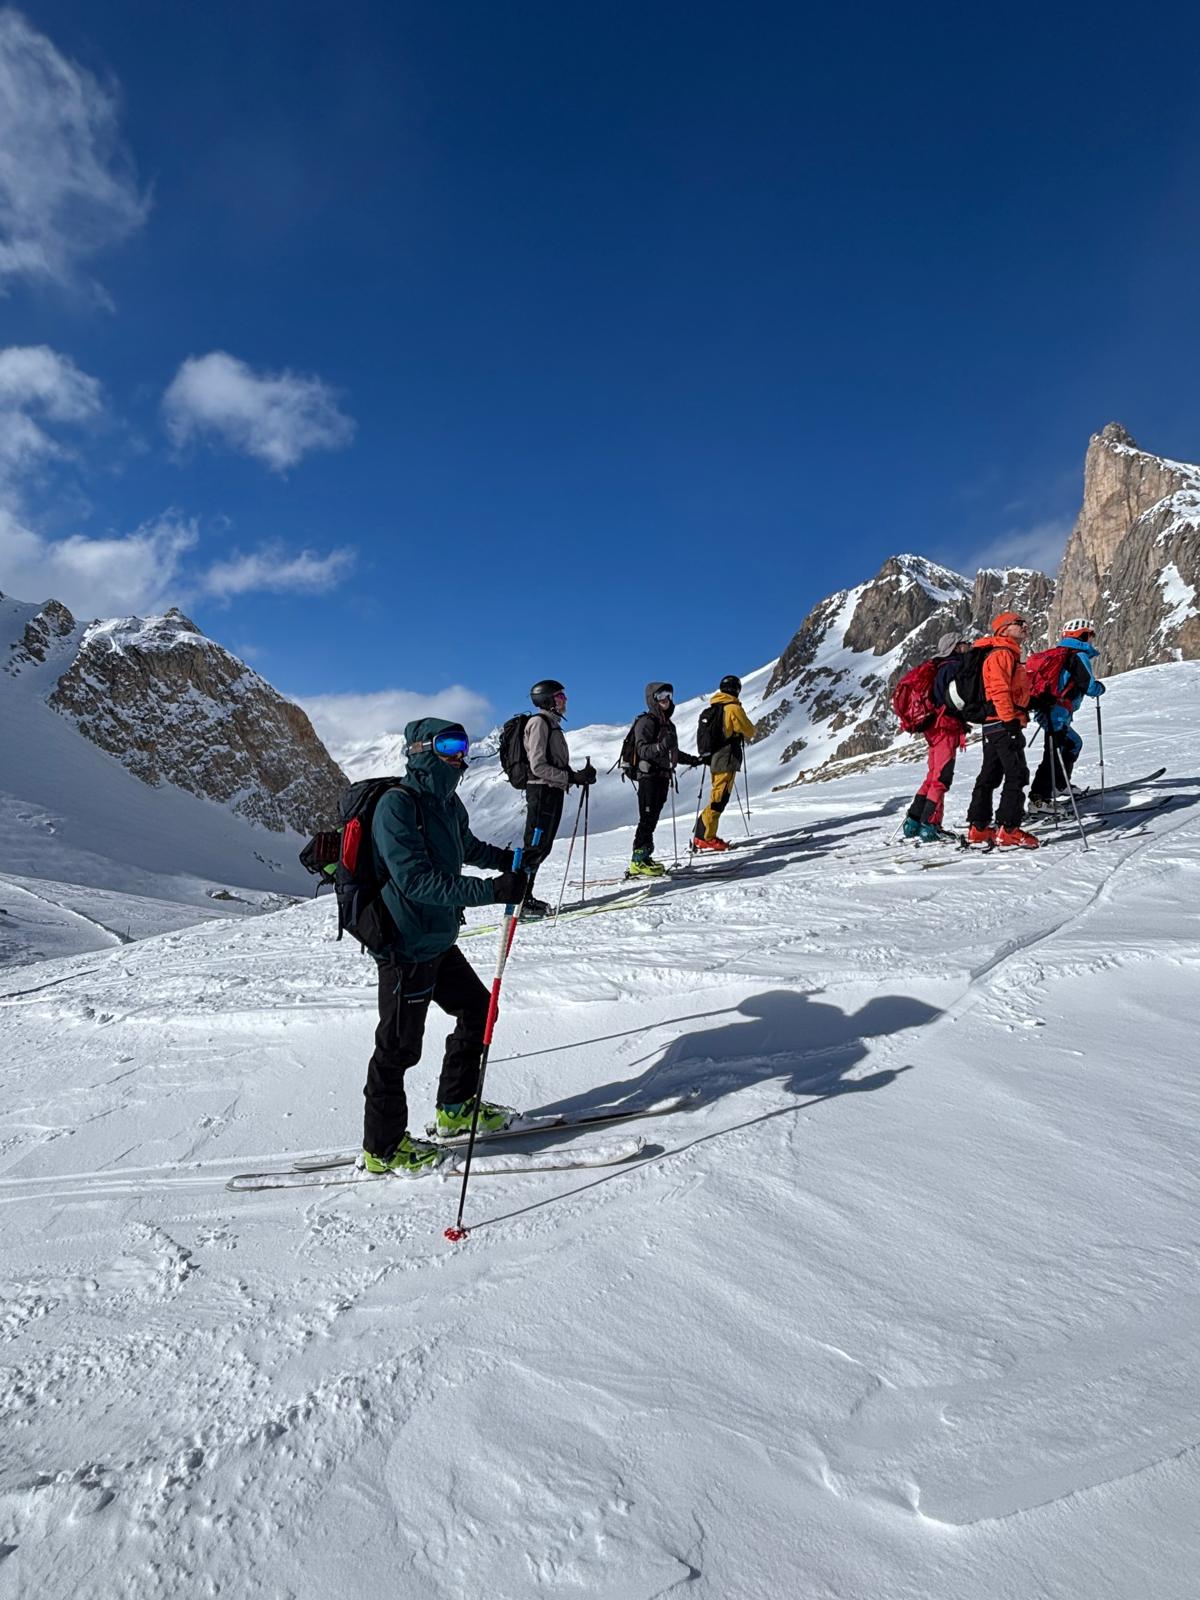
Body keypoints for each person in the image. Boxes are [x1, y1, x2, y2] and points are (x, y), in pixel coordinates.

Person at [360, 718, 529, 1174]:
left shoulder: (447, 803)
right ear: (421, 751)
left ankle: (454, 1109)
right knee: (397, 1048)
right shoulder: (396, 806)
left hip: (437, 939)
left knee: (479, 1010)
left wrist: (509, 860)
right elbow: (415, 881)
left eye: (463, 744)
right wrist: (491, 892)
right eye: (449, 745)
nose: (460, 754)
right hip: (404, 944)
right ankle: (383, 1148)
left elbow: (464, 846)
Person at [522, 679, 596, 917]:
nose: (564, 700)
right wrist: (571, 777)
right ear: (547, 700)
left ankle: (526, 897)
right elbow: (538, 766)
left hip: (551, 792)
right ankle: (521, 901)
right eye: (559, 697)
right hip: (542, 792)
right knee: (534, 847)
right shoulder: (539, 723)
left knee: (542, 847)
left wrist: (575, 776)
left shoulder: (551, 724)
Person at [965, 612, 1039, 849]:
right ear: (1004, 629)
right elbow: (999, 690)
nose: (1025, 626)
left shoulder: (1004, 652)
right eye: (1019, 624)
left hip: (994, 723)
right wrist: (1010, 722)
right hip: (1002, 722)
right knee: (1017, 774)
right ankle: (1009, 829)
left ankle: (979, 828)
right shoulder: (1002, 654)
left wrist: (1032, 703)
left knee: (991, 774)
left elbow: (1011, 691)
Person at [627, 682, 706, 877]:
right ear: (652, 698)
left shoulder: (668, 725)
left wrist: (694, 760)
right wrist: (662, 746)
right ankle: (637, 861)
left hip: (662, 777)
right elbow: (642, 749)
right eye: (661, 695)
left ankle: (644, 856)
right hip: (648, 777)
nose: (666, 699)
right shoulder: (646, 721)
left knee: (651, 819)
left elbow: (673, 752)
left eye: (668, 695)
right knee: (646, 819)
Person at [1028, 619, 1106, 809]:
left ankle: (1059, 785)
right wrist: (1100, 689)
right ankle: (1039, 798)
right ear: (1083, 635)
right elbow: (1088, 685)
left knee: (1071, 744)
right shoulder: (1077, 655)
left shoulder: (1060, 654)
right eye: (1089, 635)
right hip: (1058, 712)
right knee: (1054, 754)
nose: (1090, 639)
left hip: (1050, 710)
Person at [903, 632, 969, 841]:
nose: (968, 646)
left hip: (933, 729)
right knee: (942, 777)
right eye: (964, 643)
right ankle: (930, 824)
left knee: (932, 776)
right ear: (955, 647)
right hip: (946, 728)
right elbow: (954, 699)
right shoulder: (953, 668)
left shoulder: (937, 667)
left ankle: (913, 821)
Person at [692, 674, 757, 852]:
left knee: (718, 794)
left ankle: (703, 833)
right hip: (726, 758)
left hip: (715, 758)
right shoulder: (732, 708)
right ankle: (705, 836)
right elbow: (749, 730)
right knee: (719, 798)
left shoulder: (715, 707)